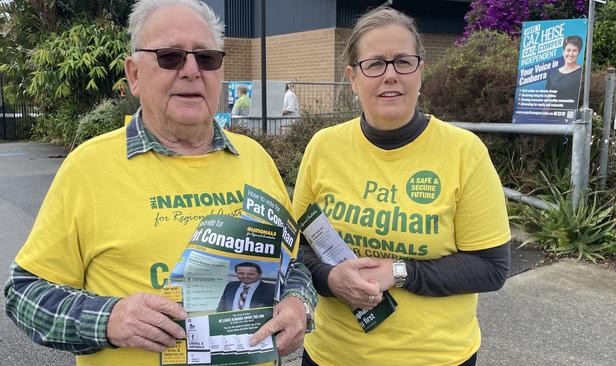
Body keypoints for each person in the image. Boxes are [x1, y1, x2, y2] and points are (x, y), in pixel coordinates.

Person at [3, 1, 316, 365]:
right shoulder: (87, 168)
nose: (191, 71)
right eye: (170, 57)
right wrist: (109, 319)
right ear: (134, 75)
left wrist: (298, 304)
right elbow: (24, 293)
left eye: (206, 58)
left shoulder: (256, 160)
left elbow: (293, 265)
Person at [292, 7, 510, 366]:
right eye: (375, 64)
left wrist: (399, 272)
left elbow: (491, 267)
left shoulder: (463, 152)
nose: (390, 75)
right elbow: (296, 249)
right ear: (352, 78)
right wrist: (331, 279)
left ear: (420, 72)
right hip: (333, 356)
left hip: (436, 357)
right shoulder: (323, 147)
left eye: (403, 62)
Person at [545, 35, 583, 105]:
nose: (571, 54)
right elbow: (547, 100)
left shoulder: (582, 73)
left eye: (574, 51)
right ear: (563, 51)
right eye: (568, 50)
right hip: (552, 115)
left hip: (572, 115)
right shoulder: (553, 74)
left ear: (579, 52)